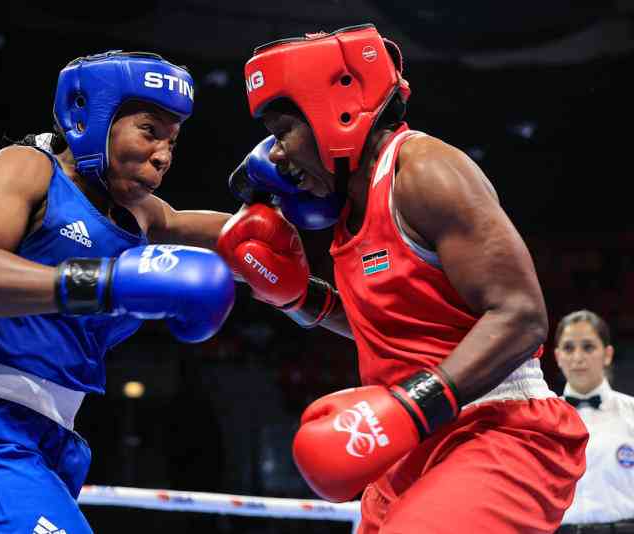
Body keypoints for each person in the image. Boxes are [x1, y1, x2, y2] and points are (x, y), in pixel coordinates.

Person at [217, 23, 589, 533]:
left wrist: (416, 402)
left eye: (282, 131)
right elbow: (393, 324)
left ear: (333, 112)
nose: (275, 153)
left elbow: (521, 317)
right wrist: (302, 300)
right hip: (411, 437)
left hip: (500, 429)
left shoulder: (424, 172)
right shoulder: (351, 205)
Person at [0, 50, 236, 533]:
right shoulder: (26, 169)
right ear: (90, 117)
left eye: (172, 141)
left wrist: (292, 216)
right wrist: (107, 284)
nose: (163, 154)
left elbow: (237, 237)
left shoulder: (141, 216)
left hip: (49, 444)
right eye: (149, 131)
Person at [554, 310, 634, 533]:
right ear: (558, 356)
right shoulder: (542, 420)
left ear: (607, 354)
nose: (578, 357)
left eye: (588, 347)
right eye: (569, 348)